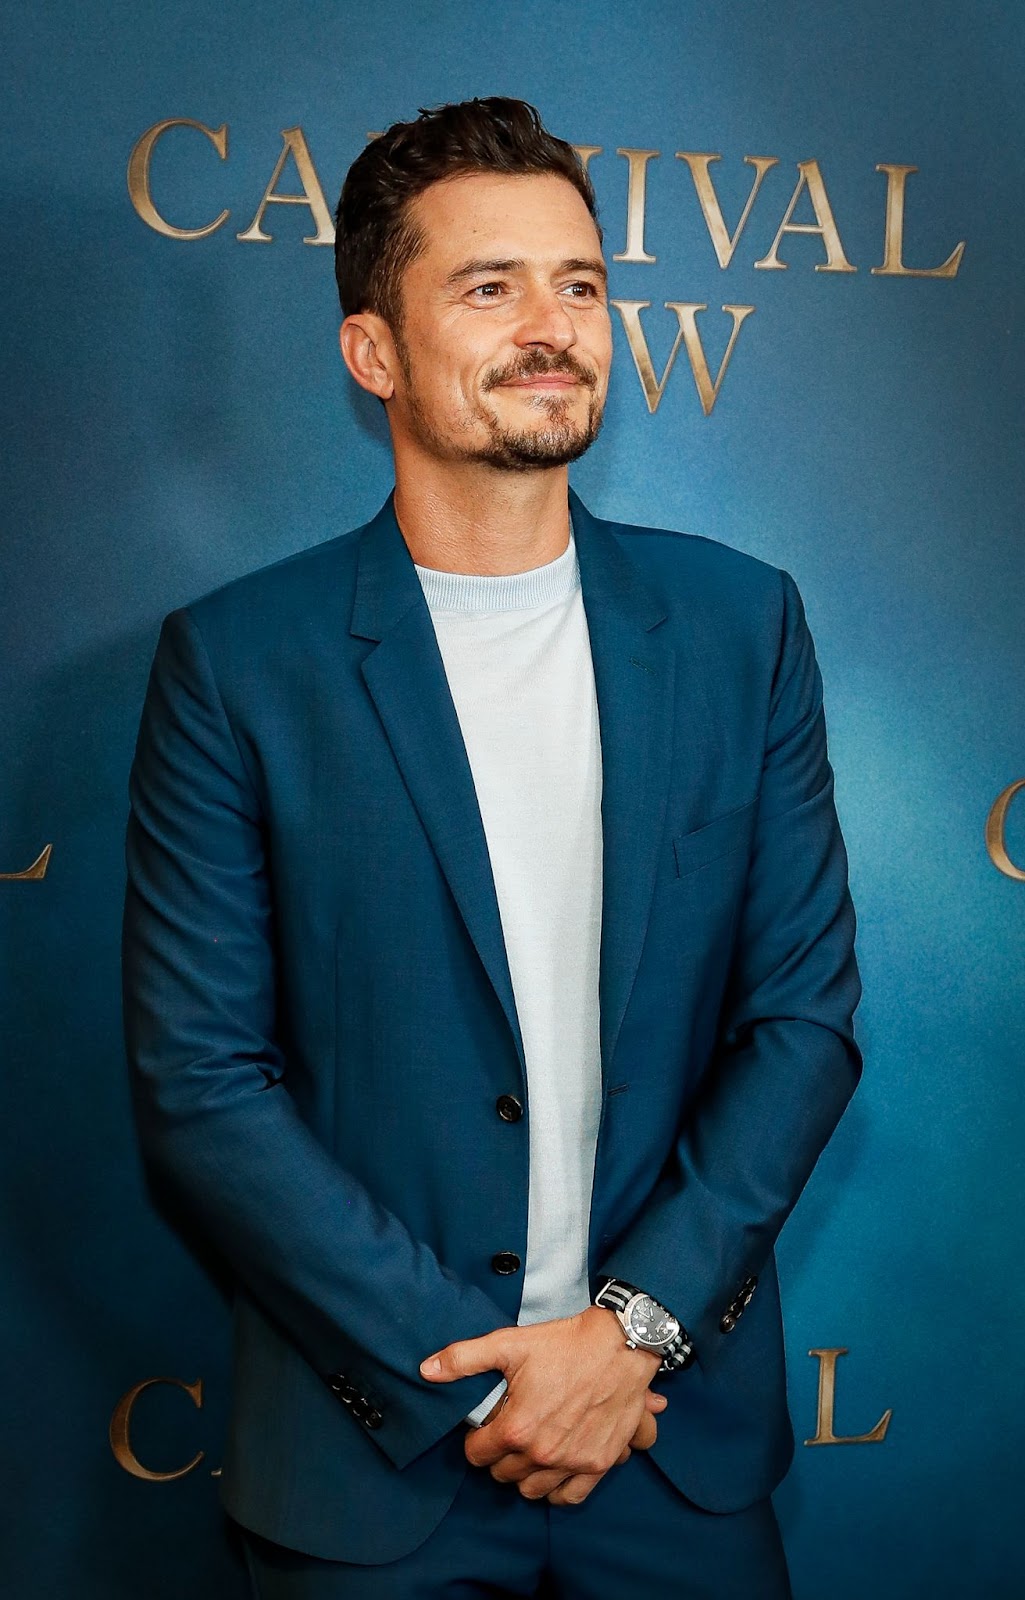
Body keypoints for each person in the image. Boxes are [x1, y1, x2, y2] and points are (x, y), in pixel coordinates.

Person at [122, 96, 862, 1598]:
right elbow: (200, 1086)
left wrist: (624, 1338)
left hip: (669, 1447)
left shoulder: (740, 627)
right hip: (372, 1464)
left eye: (579, 284)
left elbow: (798, 1024)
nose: (553, 326)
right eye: (490, 287)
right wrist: (479, 1379)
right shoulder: (238, 664)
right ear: (372, 352)